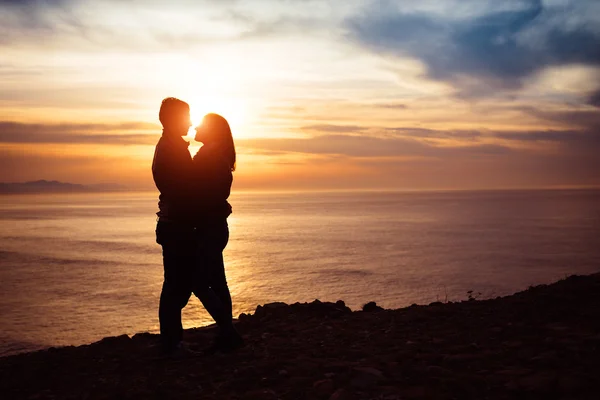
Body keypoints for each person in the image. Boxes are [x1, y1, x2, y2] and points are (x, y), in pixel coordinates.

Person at [192, 113, 243, 351]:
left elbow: (203, 193)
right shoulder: (217, 155)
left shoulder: (210, 156)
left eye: (201, 125)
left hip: (208, 227)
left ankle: (228, 332)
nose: (195, 126)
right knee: (218, 282)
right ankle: (227, 335)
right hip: (215, 226)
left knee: (200, 282)